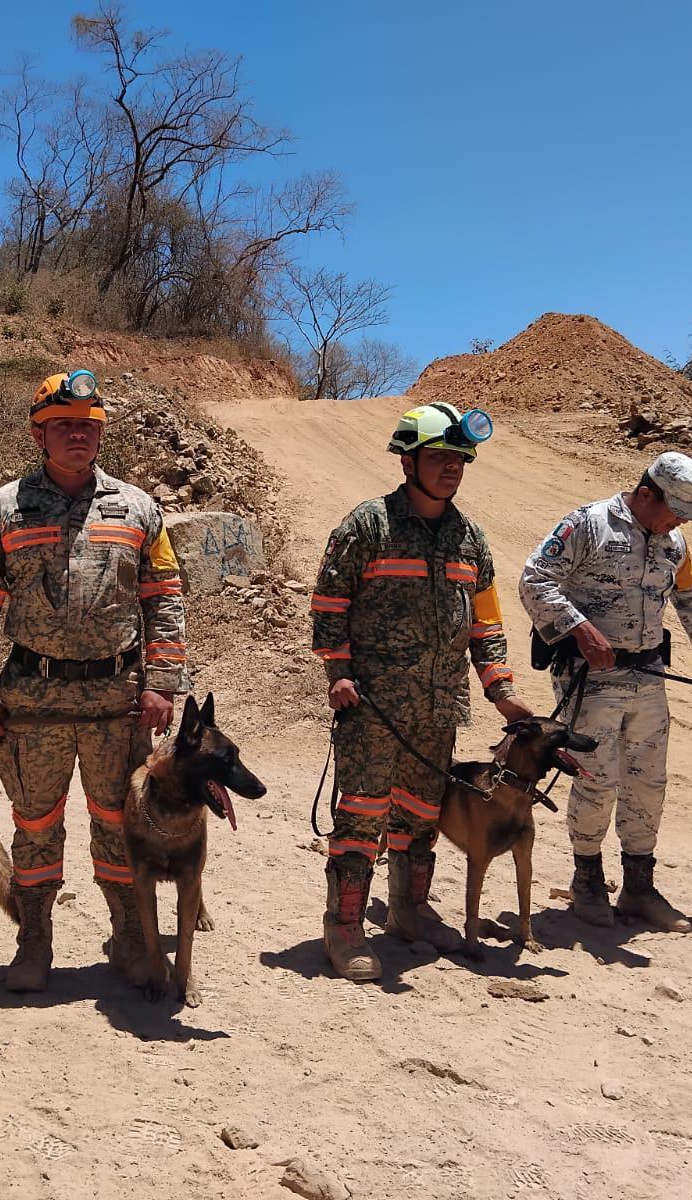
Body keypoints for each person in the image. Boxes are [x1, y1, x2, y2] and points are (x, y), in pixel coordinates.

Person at [0, 370, 187, 993]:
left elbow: (164, 597)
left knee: (120, 821)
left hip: (119, 701)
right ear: (39, 434)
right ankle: (34, 943)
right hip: (33, 701)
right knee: (35, 824)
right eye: (63, 425)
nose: (77, 435)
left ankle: (133, 939)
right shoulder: (2, 509)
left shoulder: (138, 509)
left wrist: (162, 682)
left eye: (88, 425)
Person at [310, 402, 534, 981]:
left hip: (438, 709)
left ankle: (409, 909)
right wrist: (338, 673)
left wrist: (501, 691)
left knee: (420, 816)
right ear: (408, 461)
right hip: (373, 707)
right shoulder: (368, 525)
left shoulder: (470, 539)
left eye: (460, 459)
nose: (451, 469)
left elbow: (485, 623)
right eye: (438, 457)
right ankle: (345, 928)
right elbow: (329, 607)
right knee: (360, 816)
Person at [519, 450, 692, 930]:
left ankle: (639, 888)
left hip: (648, 679)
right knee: (595, 780)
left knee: (648, 782)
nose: (678, 523)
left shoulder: (674, 543)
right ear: (646, 494)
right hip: (591, 682)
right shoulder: (588, 524)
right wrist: (579, 628)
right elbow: (535, 580)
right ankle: (587, 883)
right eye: (675, 511)